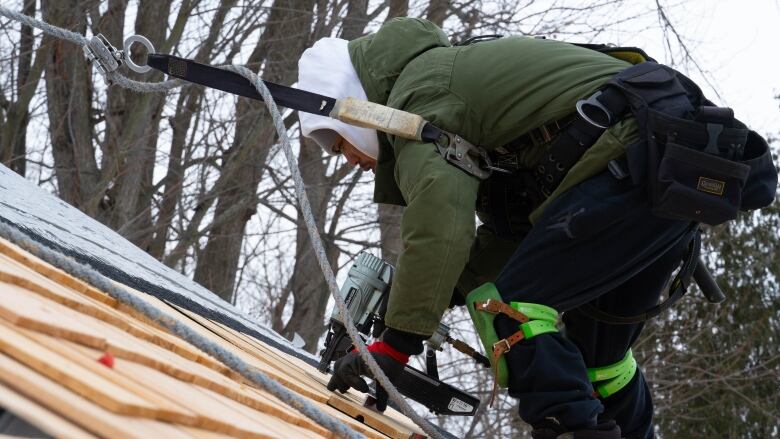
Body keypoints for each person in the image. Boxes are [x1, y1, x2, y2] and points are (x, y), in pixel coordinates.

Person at [296, 18, 777, 438]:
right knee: (599, 362)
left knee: (509, 307)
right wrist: (431, 296)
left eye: (340, 146)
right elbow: (506, 242)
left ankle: (574, 431)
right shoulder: (468, 83)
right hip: (672, 175)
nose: (354, 162)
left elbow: (441, 225)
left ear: (354, 106)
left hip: (632, 162)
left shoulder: (421, 92)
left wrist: (396, 344)